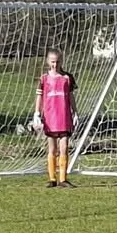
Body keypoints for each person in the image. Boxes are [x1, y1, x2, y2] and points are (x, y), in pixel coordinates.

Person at [34, 49, 76, 187]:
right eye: (52, 62)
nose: (55, 64)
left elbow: (71, 96)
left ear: (61, 61)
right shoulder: (43, 78)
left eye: (57, 62)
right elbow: (39, 96)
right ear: (48, 62)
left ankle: (63, 179)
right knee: (52, 149)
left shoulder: (67, 78)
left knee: (64, 147)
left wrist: (75, 112)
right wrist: (37, 113)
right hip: (50, 118)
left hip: (64, 117)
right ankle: (52, 179)